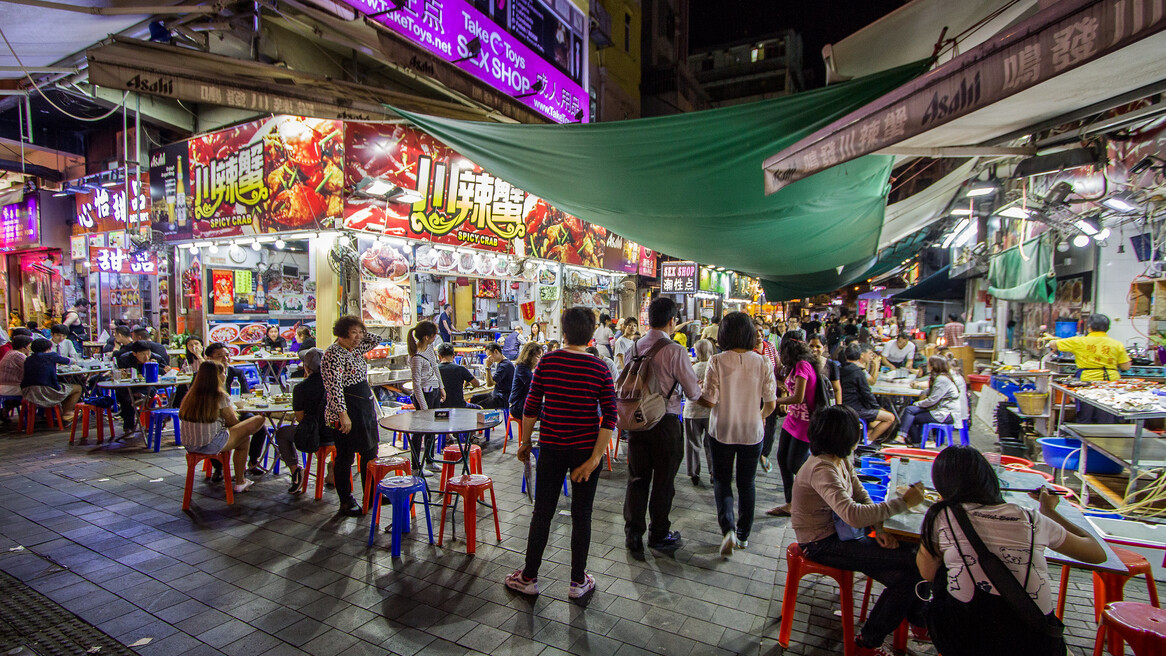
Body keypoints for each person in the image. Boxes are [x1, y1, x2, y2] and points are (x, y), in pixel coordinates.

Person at [916, 446, 1105, 655]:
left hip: (966, 639)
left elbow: (927, 573)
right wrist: (1049, 511)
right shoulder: (1031, 519)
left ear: (941, 485)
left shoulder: (941, 515)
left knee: (941, 578)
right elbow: (1097, 553)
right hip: (1035, 642)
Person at [793, 405, 927, 656]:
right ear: (843, 436)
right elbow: (853, 515)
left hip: (844, 535)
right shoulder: (822, 468)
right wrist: (903, 503)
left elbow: (861, 496)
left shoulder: (840, 460)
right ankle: (879, 638)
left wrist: (879, 527)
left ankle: (882, 635)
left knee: (906, 575)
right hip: (821, 543)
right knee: (915, 558)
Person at [505, 307, 616, 599]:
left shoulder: (548, 362)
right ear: (591, 335)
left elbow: (531, 406)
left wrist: (524, 442)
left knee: (542, 512)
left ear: (564, 332)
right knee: (582, 515)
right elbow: (610, 417)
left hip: (552, 448)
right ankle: (578, 582)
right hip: (585, 451)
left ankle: (528, 578)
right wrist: (594, 460)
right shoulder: (600, 368)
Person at [622, 297, 703, 553]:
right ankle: (658, 534)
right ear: (672, 321)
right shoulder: (675, 350)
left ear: (648, 320)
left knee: (637, 479)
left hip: (637, 421)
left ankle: (633, 535)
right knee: (663, 481)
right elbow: (693, 392)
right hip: (665, 423)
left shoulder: (633, 347)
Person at [699, 315, 777, 555]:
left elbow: (709, 401)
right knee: (747, 483)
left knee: (722, 480)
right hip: (752, 432)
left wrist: (696, 392)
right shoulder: (763, 362)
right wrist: (758, 416)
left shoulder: (717, 361)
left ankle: (728, 530)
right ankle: (743, 536)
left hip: (722, 430)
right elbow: (771, 404)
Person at [322, 315, 383, 516]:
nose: (358, 337)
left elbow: (376, 339)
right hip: (345, 411)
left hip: (363, 408)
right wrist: (343, 414)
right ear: (342, 333)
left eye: (360, 332)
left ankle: (372, 494)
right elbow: (334, 388)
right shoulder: (333, 354)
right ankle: (346, 501)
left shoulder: (355, 349)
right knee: (345, 457)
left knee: (370, 452)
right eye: (353, 332)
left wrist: (361, 332)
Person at [179, 361, 265, 494]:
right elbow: (233, 422)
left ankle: (240, 480)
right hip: (210, 444)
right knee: (257, 421)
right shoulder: (219, 396)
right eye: (223, 373)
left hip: (189, 444)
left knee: (243, 438)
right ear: (218, 376)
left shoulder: (190, 396)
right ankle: (240, 481)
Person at [767, 337, 821, 518]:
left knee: (795, 463)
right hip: (793, 419)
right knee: (782, 459)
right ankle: (790, 502)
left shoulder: (802, 366)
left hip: (805, 422)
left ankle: (818, 489)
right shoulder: (796, 366)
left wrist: (774, 401)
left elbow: (798, 397)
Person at [1046, 313, 1131, 423]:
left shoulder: (1079, 341)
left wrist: (1053, 339)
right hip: (1110, 383)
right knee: (1107, 414)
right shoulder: (1117, 344)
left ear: (1089, 327)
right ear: (1107, 328)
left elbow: (1053, 344)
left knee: (1085, 415)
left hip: (1087, 383)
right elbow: (1126, 366)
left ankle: (1084, 433)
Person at [274, 348, 329, 494]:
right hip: (335, 433)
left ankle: (295, 471)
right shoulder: (334, 383)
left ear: (306, 367)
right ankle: (332, 469)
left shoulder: (301, 388)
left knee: (281, 433)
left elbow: (300, 418)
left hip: (314, 435)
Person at [407, 320, 445, 472]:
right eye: (434, 335)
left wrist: (441, 387)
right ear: (426, 337)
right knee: (419, 432)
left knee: (432, 429)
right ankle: (416, 467)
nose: (435, 338)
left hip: (434, 391)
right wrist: (424, 407)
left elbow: (435, 366)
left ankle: (430, 461)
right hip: (424, 395)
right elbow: (416, 385)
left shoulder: (429, 348)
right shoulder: (416, 357)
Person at [897, 355, 961, 445]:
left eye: (929, 364)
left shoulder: (942, 379)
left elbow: (932, 400)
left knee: (911, 416)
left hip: (946, 412)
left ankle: (911, 440)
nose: (927, 365)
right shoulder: (939, 377)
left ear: (933, 365)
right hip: (938, 408)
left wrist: (918, 403)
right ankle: (906, 438)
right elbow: (932, 391)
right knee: (909, 410)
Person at [840, 343, 897, 443]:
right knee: (890, 418)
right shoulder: (858, 372)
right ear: (860, 356)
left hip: (843, 407)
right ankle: (868, 441)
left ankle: (864, 438)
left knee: (875, 420)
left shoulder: (839, 369)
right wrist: (877, 407)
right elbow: (866, 393)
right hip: (856, 409)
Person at [22, 338, 84, 421]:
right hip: (46, 391)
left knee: (65, 388)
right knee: (78, 388)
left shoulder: (28, 359)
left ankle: (61, 412)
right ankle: (67, 412)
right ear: (48, 349)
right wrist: (75, 360)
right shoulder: (51, 356)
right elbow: (68, 361)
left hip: (28, 392)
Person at [114, 341, 165, 439]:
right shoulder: (125, 359)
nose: (146, 356)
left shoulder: (156, 358)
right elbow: (120, 376)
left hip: (148, 387)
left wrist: (154, 367)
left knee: (151, 389)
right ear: (134, 353)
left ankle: (140, 396)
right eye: (142, 354)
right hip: (131, 386)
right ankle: (129, 427)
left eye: (148, 353)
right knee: (125, 396)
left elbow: (166, 372)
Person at [684, 339, 714, 487]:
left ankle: (694, 473)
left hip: (692, 411)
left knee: (692, 443)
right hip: (710, 411)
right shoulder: (714, 367)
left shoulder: (692, 368)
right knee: (711, 444)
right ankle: (713, 472)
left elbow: (686, 388)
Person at [754, 325, 780, 473]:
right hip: (754, 394)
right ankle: (756, 452)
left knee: (770, 426)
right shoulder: (748, 351)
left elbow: (778, 366)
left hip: (770, 392)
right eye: (755, 331)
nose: (759, 333)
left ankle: (764, 453)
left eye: (760, 330)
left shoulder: (770, 346)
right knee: (757, 424)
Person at [508, 342, 544, 426]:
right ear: (529, 356)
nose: (540, 360)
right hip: (517, 406)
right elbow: (535, 386)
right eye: (538, 357)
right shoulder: (522, 368)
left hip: (525, 402)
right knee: (549, 412)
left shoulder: (528, 368)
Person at [436, 343, 478, 408]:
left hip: (440, 406)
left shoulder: (435, 370)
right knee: (480, 407)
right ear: (453, 356)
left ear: (439, 356)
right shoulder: (460, 369)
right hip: (459, 406)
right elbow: (477, 384)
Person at [471, 343, 513, 409]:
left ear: (496, 351)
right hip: (496, 393)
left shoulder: (504, 366)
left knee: (477, 407)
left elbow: (490, 384)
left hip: (502, 398)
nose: (488, 359)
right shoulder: (501, 363)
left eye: (490, 356)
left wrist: (488, 367)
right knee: (474, 398)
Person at [808, 333, 843, 405]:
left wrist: (838, 407)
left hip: (825, 404)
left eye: (818, 346)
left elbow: (836, 389)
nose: (814, 349)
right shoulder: (802, 364)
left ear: (824, 348)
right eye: (811, 346)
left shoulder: (831, 365)